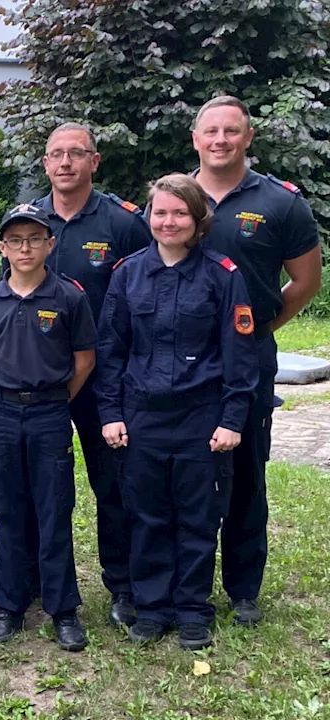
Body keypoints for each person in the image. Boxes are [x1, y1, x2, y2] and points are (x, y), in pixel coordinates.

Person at [96, 174, 258, 650]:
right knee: (146, 515)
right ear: (149, 217)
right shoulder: (126, 274)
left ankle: (191, 610)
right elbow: (111, 351)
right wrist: (110, 412)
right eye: (160, 212)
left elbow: (239, 356)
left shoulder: (223, 275)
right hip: (141, 415)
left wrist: (231, 420)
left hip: (200, 417)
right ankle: (151, 608)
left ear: (198, 219)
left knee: (197, 515)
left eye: (179, 213)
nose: (168, 222)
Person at [191, 95, 322, 626]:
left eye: (231, 131)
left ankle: (243, 588)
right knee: (185, 469)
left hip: (248, 357)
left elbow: (306, 282)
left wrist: (258, 330)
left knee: (246, 471)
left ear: (248, 138)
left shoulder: (281, 202)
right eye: (210, 131)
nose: (220, 140)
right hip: (180, 361)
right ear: (195, 140)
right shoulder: (174, 197)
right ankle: (185, 580)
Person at [25, 123, 155, 628]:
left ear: (94, 162)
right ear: (45, 164)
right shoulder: (28, 220)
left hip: (105, 381)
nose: (64, 163)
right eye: (55, 154)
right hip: (39, 380)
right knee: (39, 486)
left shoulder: (123, 223)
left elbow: (146, 293)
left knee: (114, 484)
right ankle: (35, 578)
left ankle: (122, 584)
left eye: (75, 153)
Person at [0, 204, 95, 651]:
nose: (25, 248)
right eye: (16, 240)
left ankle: (63, 609)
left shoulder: (68, 297)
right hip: (4, 414)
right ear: (2, 248)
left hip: (49, 414)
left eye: (34, 239)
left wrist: (59, 400)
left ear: (49, 244)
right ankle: (8, 605)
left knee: (53, 509)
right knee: (8, 509)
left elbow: (84, 360)